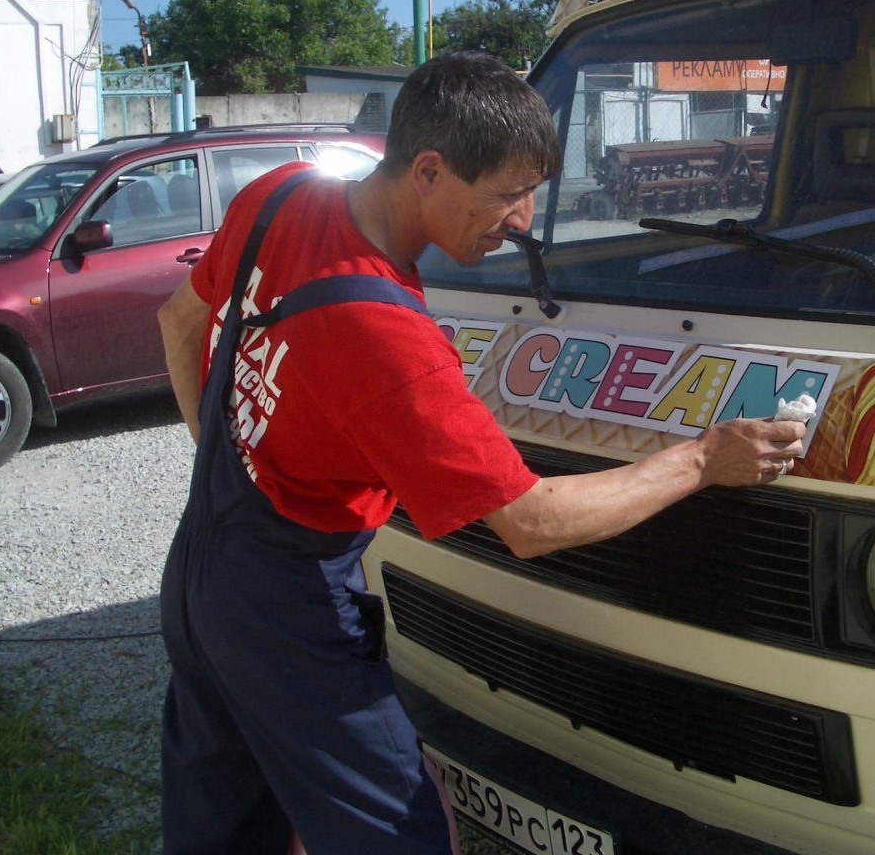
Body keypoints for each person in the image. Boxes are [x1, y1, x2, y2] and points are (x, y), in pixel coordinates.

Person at [156, 50, 807, 855]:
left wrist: (232, 459)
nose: (526, 218)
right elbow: (533, 522)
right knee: (402, 837)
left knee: (224, 826)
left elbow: (178, 325)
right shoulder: (387, 337)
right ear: (427, 171)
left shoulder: (281, 194)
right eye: (507, 194)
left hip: (201, 571)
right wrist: (703, 460)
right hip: (287, 610)